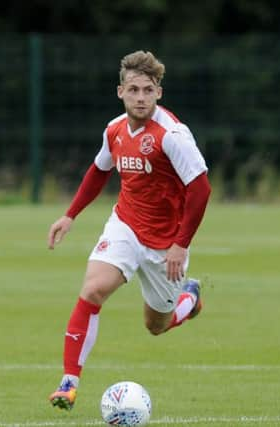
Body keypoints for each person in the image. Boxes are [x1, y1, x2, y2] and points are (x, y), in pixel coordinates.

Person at [47, 50, 211, 410]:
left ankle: (189, 299)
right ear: (120, 91)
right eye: (133, 89)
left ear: (159, 93)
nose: (140, 97)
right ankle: (68, 383)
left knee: (156, 326)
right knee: (93, 290)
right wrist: (70, 215)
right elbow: (99, 170)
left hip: (166, 243)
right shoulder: (115, 129)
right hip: (126, 225)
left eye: (147, 90)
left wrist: (180, 245)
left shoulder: (172, 135)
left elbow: (201, 189)